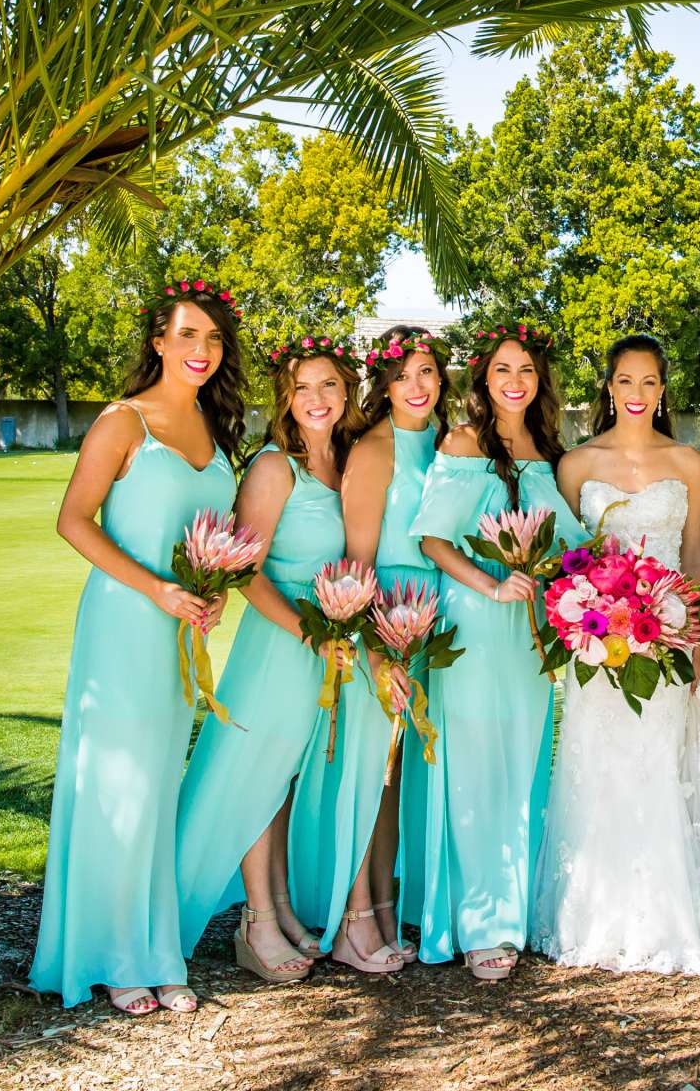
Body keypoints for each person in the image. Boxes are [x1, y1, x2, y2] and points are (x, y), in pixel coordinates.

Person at [30, 281, 245, 1016]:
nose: (201, 351)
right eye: (188, 335)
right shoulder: (123, 422)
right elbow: (74, 520)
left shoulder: (217, 437)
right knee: (118, 781)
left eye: (213, 340)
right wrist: (155, 590)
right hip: (125, 624)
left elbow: (214, 542)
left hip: (181, 634)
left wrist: (213, 591)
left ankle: (154, 950)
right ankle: (112, 956)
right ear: (158, 342)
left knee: (156, 784)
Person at [535, 335, 700, 975]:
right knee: (596, 768)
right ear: (610, 386)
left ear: (662, 390)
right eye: (626, 381)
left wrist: (697, 639)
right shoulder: (574, 464)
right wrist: (583, 614)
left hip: (670, 638)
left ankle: (663, 921)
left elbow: (699, 557)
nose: (638, 394)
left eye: (650, 382)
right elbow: (565, 565)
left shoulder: (686, 461)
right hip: (596, 643)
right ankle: (592, 916)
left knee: (657, 768)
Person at [175, 333, 367, 983]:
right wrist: (308, 634)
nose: (317, 399)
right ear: (286, 397)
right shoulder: (272, 466)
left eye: (329, 386)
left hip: (327, 645)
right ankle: (254, 924)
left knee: (285, 778)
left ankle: (281, 906)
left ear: (347, 392)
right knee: (258, 774)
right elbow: (244, 572)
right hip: (281, 644)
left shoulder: (347, 462)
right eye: (303, 387)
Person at [409, 320, 585, 980]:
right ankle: (479, 922)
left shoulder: (547, 451)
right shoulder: (462, 442)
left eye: (528, 371)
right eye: (503, 369)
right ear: (483, 377)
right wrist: (491, 582)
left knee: (525, 764)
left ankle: (517, 915)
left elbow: (570, 544)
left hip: (535, 634)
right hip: (478, 624)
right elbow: (433, 538)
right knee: (477, 768)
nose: (515, 382)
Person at [287, 326, 450, 973]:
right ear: (382, 384)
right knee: (369, 773)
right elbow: (357, 564)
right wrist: (378, 653)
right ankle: (354, 918)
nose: (416, 386)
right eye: (402, 374)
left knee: (403, 777)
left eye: (428, 371)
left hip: (439, 624)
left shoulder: (450, 445)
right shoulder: (375, 452)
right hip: (382, 624)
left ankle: (386, 906)